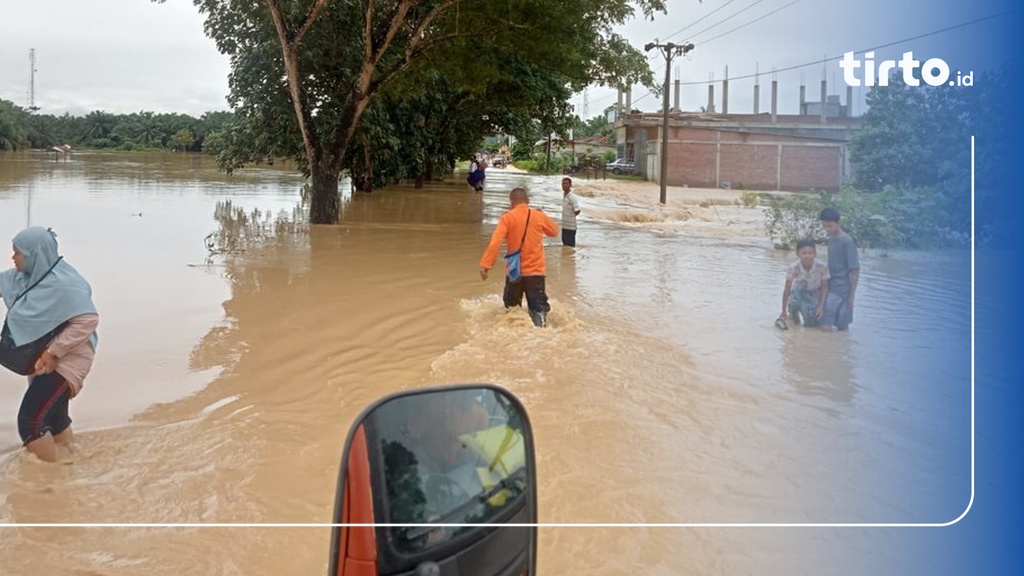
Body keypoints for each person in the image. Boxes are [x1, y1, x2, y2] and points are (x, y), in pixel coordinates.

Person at [0, 227, 99, 462]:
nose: (13, 257)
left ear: (34, 255)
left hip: (69, 358)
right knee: (55, 419)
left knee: (30, 423)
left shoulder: (65, 285)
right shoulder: (24, 277)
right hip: (43, 357)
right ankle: (70, 466)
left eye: (18, 253)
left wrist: (53, 351)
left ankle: (49, 482)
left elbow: (88, 320)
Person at [479, 188, 558, 327]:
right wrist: (543, 214)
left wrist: (486, 265)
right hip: (536, 273)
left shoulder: (507, 217)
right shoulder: (538, 216)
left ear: (512, 202)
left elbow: (495, 242)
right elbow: (554, 232)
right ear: (527, 202)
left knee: (512, 311)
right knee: (538, 310)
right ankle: (541, 335)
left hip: (514, 272)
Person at [819, 207, 860, 331]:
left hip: (842, 288)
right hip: (831, 283)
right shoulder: (831, 240)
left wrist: (852, 295)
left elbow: (855, 270)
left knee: (825, 320)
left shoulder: (847, 242)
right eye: (824, 226)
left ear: (838, 223)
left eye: (830, 226)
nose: (826, 229)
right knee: (841, 323)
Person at [777, 238, 830, 330]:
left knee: (810, 325)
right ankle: (793, 320)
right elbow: (787, 289)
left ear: (815, 254)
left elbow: (825, 287)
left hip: (813, 295)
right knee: (794, 314)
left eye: (810, 253)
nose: (807, 256)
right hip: (797, 293)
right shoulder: (794, 267)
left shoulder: (822, 266)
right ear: (798, 254)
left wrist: (821, 306)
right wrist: (783, 310)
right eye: (804, 253)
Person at [560, 177, 581, 247]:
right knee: (565, 246)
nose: (564, 185)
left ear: (570, 185)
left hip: (571, 227)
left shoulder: (572, 197)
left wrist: (571, 216)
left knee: (571, 246)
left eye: (566, 184)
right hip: (564, 225)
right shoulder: (564, 196)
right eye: (563, 184)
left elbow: (577, 210)